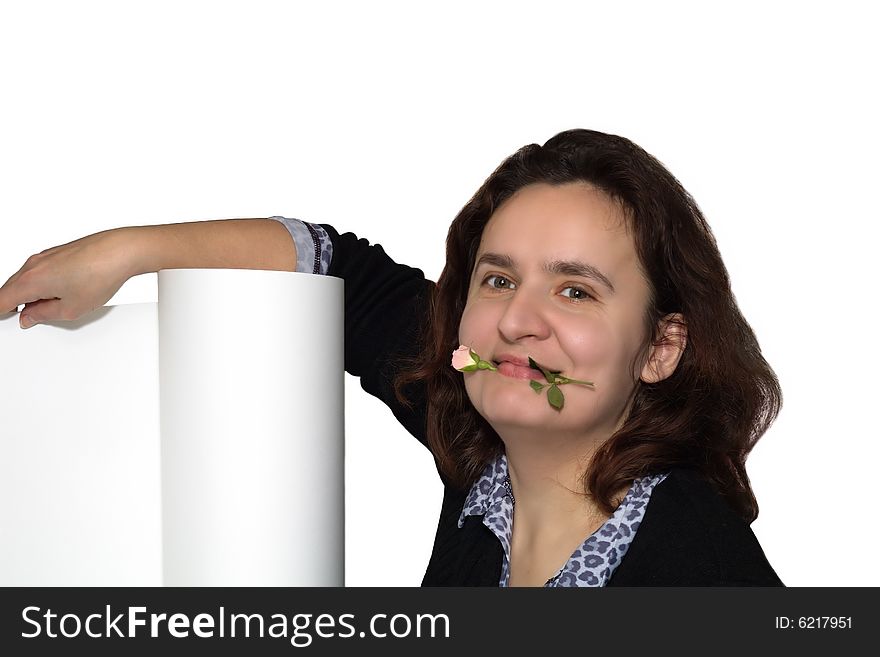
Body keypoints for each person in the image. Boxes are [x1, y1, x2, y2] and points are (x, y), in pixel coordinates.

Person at [0, 129, 783, 586]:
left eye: (575, 291)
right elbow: (336, 269)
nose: (517, 321)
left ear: (660, 347)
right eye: (498, 277)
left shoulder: (701, 565)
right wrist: (126, 251)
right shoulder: (476, 435)